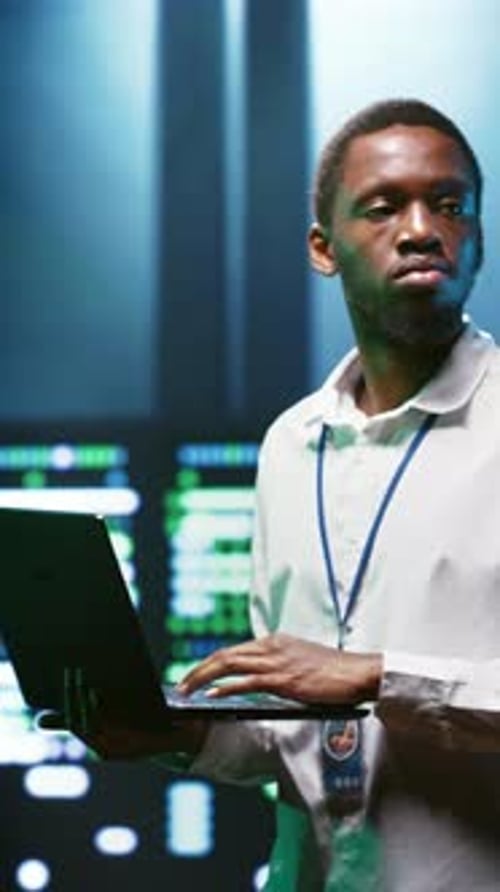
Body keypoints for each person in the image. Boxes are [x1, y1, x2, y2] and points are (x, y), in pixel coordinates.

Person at [45, 99, 500, 891]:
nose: (423, 228)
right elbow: (286, 732)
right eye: (385, 206)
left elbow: (342, 681)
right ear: (324, 249)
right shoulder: (291, 445)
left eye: (451, 205)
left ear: (480, 237)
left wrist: (372, 676)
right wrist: (169, 736)